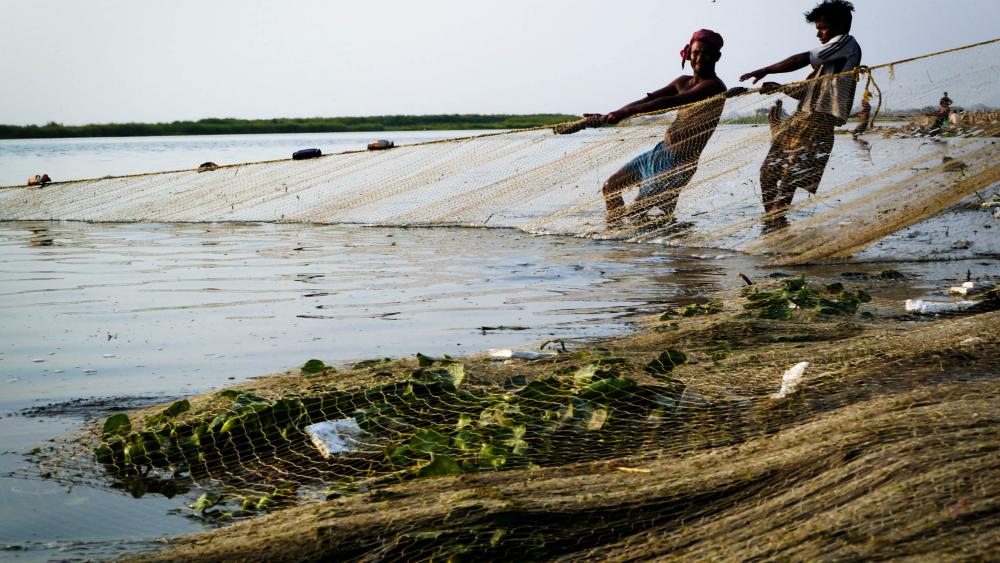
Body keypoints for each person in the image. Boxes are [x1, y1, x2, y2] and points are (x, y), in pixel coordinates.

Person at [584, 29, 734, 230]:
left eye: (706, 53)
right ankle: (616, 237)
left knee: (639, 213)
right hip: (661, 150)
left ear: (717, 57)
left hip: (679, 163)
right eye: (696, 52)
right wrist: (611, 114)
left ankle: (658, 247)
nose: (700, 58)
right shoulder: (682, 82)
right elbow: (650, 99)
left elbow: (669, 102)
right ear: (689, 53)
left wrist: (623, 114)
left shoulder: (714, 86)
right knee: (610, 188)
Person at [740, 0, 861, 233]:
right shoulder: (827, 63)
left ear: (840, 26)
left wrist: (764, 69)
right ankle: (776, 227)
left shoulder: (846, 43)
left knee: (787, 183)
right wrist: (780, 88)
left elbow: (800, 59)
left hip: (817, 124)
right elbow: (807, 93)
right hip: (802, 120)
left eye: (822, 28)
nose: (818, 34)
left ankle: (775, 232)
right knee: (767, 174)